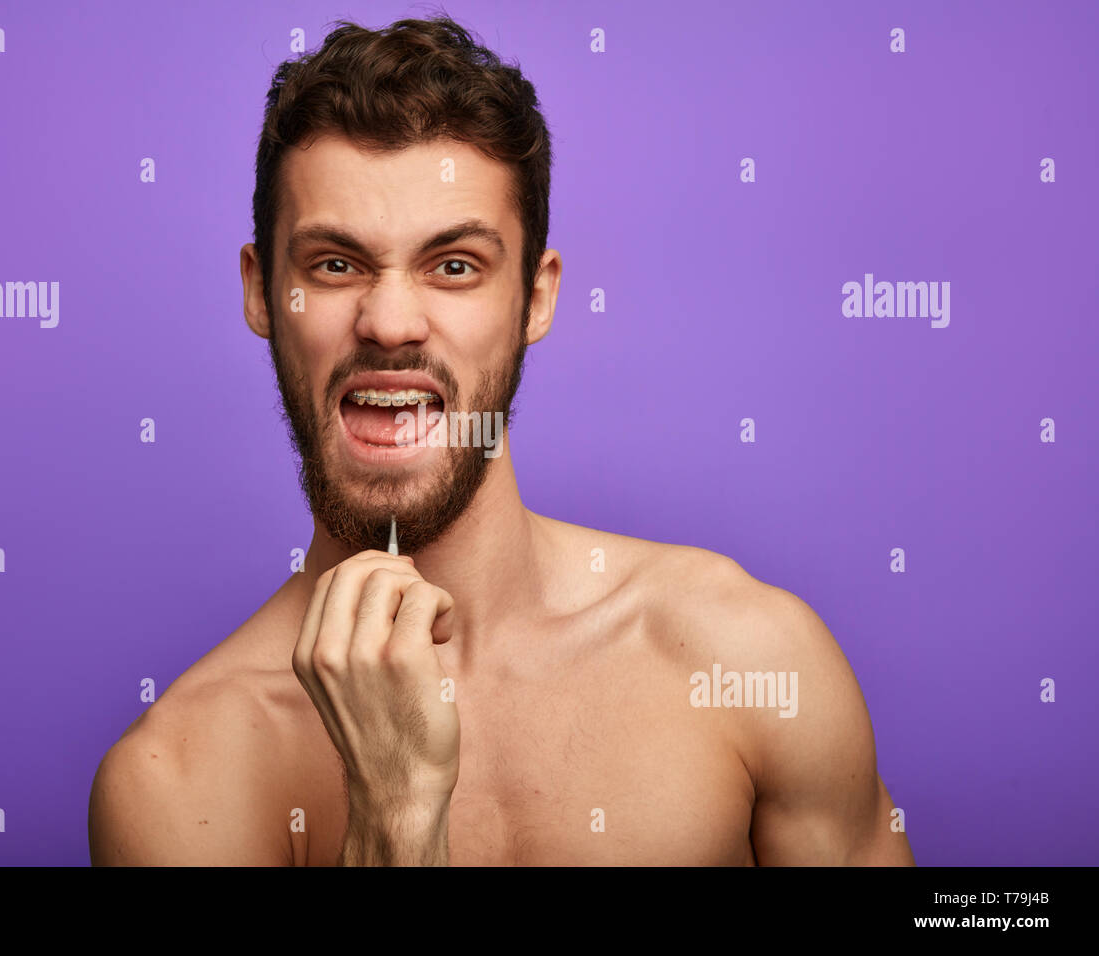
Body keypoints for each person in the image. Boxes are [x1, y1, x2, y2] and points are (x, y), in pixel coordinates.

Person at [89, 15, 915, 866]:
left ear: (537, 299)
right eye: (335, 264)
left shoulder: (748, 660)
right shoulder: (176, 783)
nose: (391, 323)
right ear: (263, 293)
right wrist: (395, 814)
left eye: (454, 266)